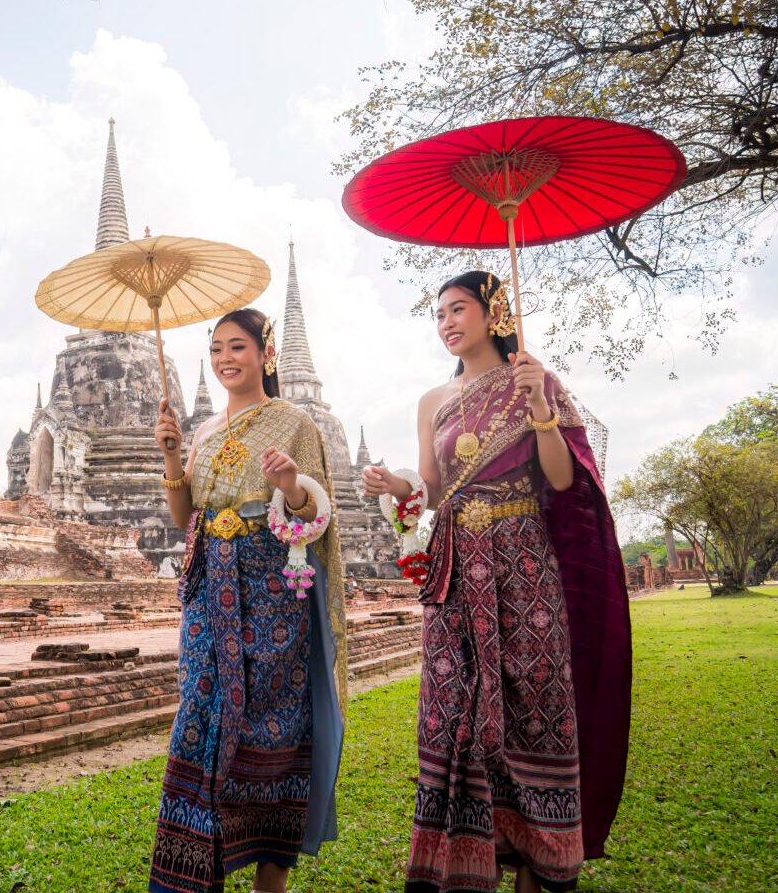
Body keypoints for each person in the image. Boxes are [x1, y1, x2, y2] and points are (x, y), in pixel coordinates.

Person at [362, 271, 631, 893]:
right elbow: (429, 487)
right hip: (457, 570)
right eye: (439, 314)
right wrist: (395, 485)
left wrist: (539, 407)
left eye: (459, 309)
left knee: (533, 708)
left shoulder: (534, 381)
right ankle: (464, 868)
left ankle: (539, 870)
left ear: (494, 313)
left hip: (524, 565)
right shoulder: (434, 400)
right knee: (455, 714)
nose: (447, 323)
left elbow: (562, 482)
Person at [147, 307, 348, 893]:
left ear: (265, 352)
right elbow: (189, 522)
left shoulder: (293, 423)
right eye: (215, 350)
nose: (225, 359)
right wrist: (170, 456)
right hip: (211, 594)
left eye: (236, 346)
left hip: (273, 599)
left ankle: (270, 883)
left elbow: (319, 516)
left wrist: (290, 487)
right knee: (198, 719)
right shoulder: (205, 431)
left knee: (272, 732)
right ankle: (189, 875)